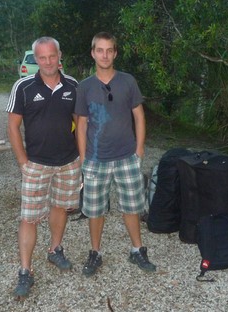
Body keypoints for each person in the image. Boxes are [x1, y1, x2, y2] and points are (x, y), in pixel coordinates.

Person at [75, 31, 156, 277]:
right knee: (95, 209)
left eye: (109, 50)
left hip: (126, 157)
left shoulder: (128, 81)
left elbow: (139, 116)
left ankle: (137, 250)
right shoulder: (85, 87)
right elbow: (81, 124)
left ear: (115, 53)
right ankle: (95, 253)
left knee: (132, 206)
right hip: (96, 159)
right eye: (100, 50)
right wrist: (83, 158)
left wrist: (139, 149)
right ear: (93, 53)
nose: (105, 55)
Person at [6, 37, 81, 299]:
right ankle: (25, 271)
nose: (48, 62)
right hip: (36, 164)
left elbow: (80, 123)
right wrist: (22, 162)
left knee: (60, 207)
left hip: (68, 162)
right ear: (35, 59)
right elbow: (13, 126)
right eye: (42, 57)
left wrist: (82, 157)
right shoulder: (23, 87)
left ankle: (55, 249)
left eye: (52, 56)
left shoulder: (72, 85)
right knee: (29, 217)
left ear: (60, 56)